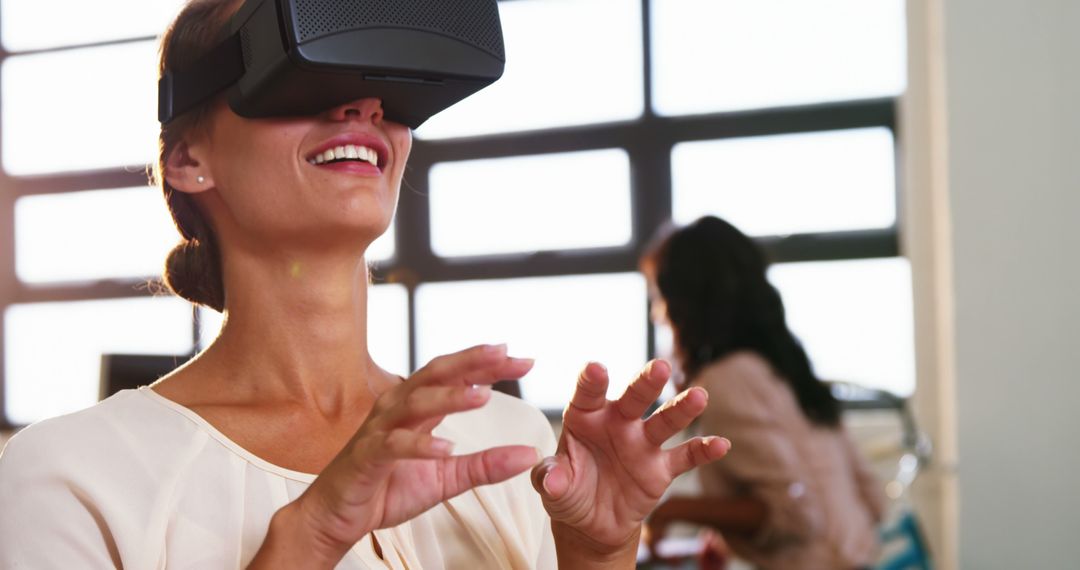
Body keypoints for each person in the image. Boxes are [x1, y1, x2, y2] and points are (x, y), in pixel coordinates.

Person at [0, 1, 731, 568]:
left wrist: (596, 554)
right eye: (303, 75)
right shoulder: (73, 473)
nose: (362, 108)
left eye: (381, 86)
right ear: (190, 158)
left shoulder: (505, 441)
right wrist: (308, 540)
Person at [641, 216, 886, 570]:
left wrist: (673, 510)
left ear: (685, 300)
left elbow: (793, 512)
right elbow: (871, 499)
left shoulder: (726, 379)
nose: (656, 314)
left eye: (657, 296)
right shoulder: (782, 368)